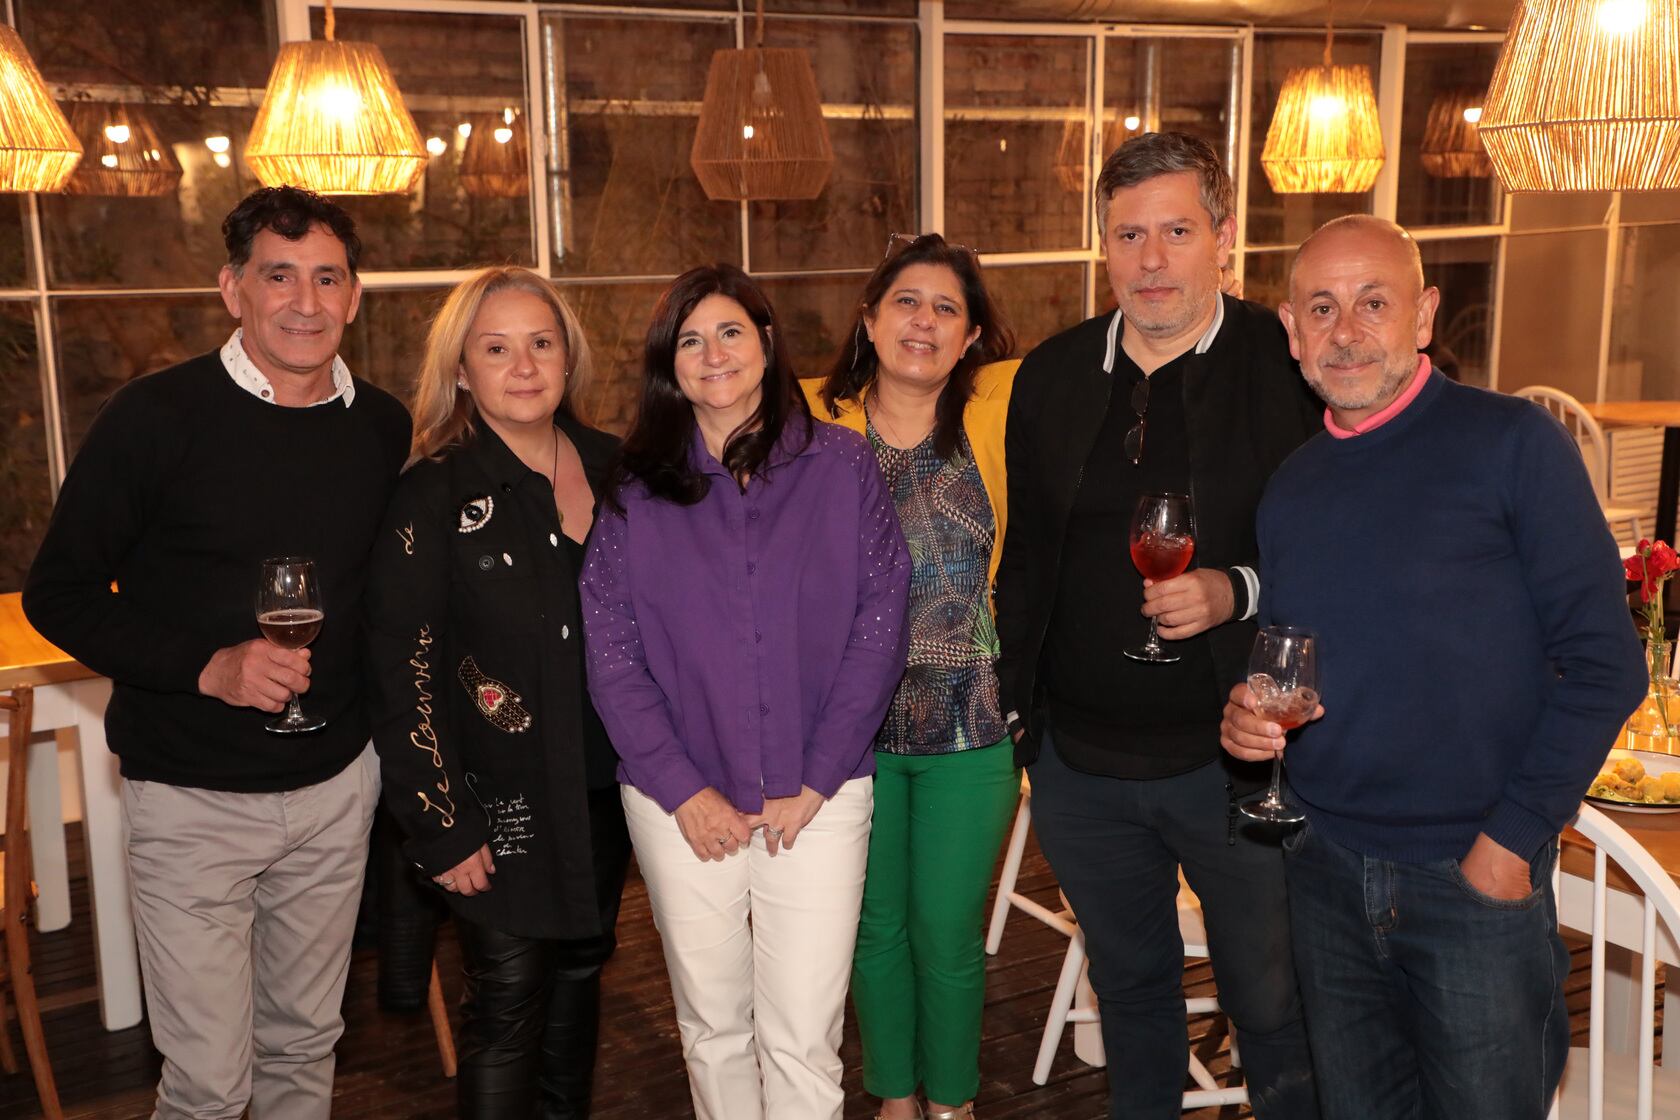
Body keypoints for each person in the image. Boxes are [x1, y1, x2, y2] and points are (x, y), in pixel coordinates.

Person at [1221, 214, 1646, 1120]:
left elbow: (1608, 663)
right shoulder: (1291, 486)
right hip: (1325, 866)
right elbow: (1316, 662)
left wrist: (1508, 841)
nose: (1346, 330)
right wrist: (1252, 719)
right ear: (1291, 330)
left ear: (1424, 316)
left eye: (1374, 302)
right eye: (1322, 308)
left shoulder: (1513, 444)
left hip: (1471, 876)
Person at [22, 186, 410, 1119]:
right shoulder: (154, 418)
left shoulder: (381, 426)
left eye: (327, 278)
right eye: (280, 277)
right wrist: (210, 668)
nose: (306, 303)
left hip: (332, 792)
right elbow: (58, 593)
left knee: (305, 1052)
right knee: (206, 1084)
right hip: (192, 801)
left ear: (356, 295)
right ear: (233, 289)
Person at [992, 131, 1321, 1119]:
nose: (1151, 258)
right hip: (1081, 773)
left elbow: (1335, 548)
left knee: (1270, 1003)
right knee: (1130, 997)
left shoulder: (1285, 362)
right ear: (1101, 246)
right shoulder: (1047, 377)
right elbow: (1029, 561)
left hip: (1234, 766)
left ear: (1222, 237)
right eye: (1128, 233)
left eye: (1177, 230)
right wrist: (1023, 721)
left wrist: (1238, 589)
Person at [579, 263, 910, 1120]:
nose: (711, 353)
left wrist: (819, 777)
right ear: (668, 365)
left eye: (729, 331)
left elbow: (880, 626)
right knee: (713, 1028)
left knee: (803, 1035)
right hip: (677, 799)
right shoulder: (634, 488)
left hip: (818, 793)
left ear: (766, 342)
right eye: (689, 340)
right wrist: (684, 790)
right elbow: (612, 651)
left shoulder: (843, 467)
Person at [364, 266, 631, 1118]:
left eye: (541, 343)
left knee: (583, 975)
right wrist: (440, 822)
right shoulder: (432, 492)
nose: (523, 365)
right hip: (493, 798)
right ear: (461, 371)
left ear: (568, 359)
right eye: (497, 347)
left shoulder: (617, 469)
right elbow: (402, 674)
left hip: (607, 791)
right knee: (508, 1006)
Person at [808, 233, 1018, 1120]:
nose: (923, 321)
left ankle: (955, 1105)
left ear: (972, 336)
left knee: (948, 935)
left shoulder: (1002, 409)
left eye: (945, 308)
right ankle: (894, 1098)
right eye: (905, 301)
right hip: (847, 733)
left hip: (971, 725)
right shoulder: (809, 419)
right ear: (868, 318)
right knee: (872, 929)